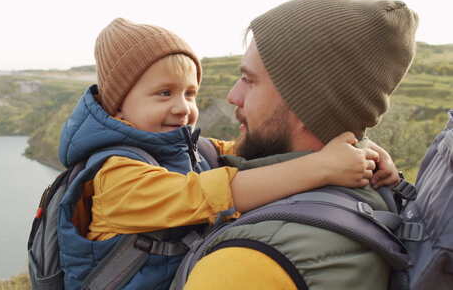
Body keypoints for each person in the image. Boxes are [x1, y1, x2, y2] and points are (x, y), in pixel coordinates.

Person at [57, 18, 400, 289]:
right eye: (164, 93)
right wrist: (321, 167)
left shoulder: (186, 148)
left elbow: (252, 154)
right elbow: (212, 193)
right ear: (118, 107)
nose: (183, 108)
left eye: (190, 93)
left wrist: (360, 150)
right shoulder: (116, 177)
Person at [181, 0, 418, 290]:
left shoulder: (248, 264)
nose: (233, 96)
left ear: (307, 102)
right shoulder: (375, 191)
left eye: (249, 79)